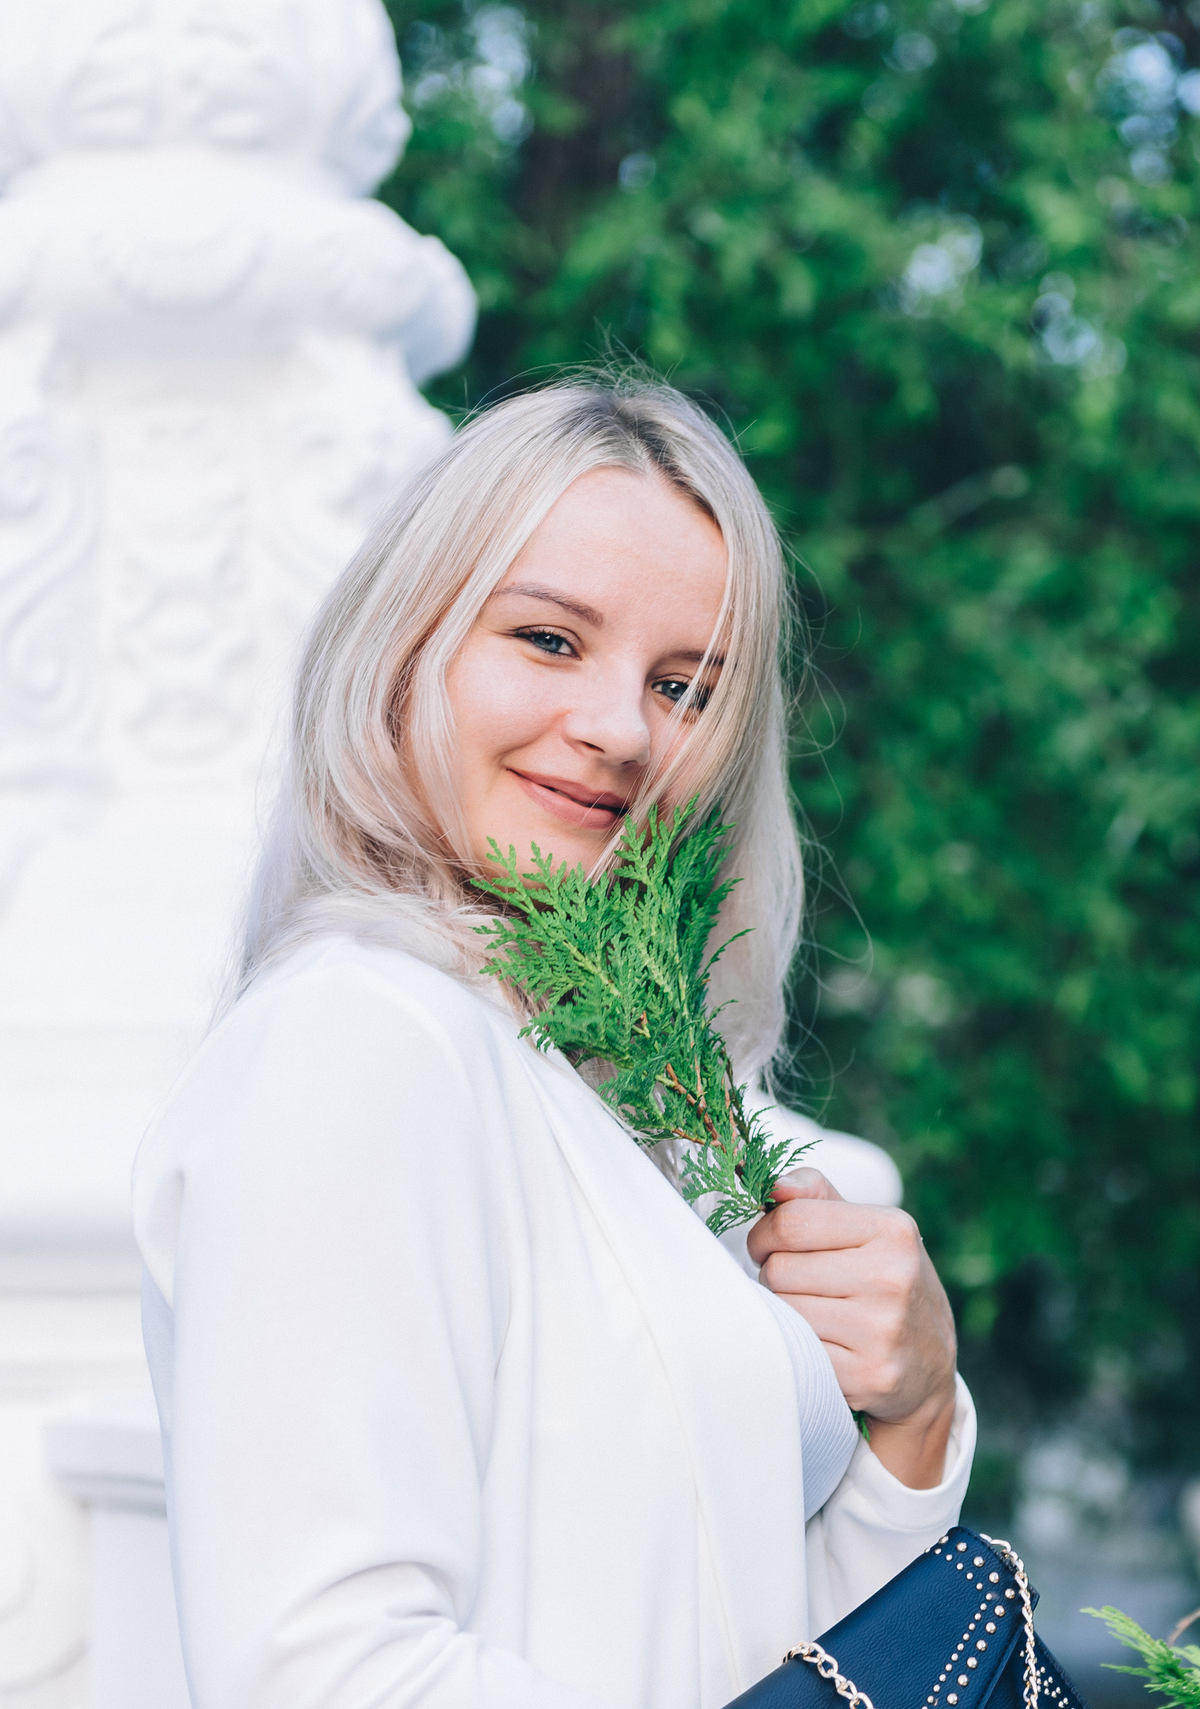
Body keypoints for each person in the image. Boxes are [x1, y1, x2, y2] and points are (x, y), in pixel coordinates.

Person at [131, 375, 971, 1709]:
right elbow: (325, 1669)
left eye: (685, 686)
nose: (621, 728)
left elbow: (784, 1659)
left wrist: (912, 1420)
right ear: (405, 653)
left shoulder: (634, 1113)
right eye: (548, 638)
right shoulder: (360, 1041)